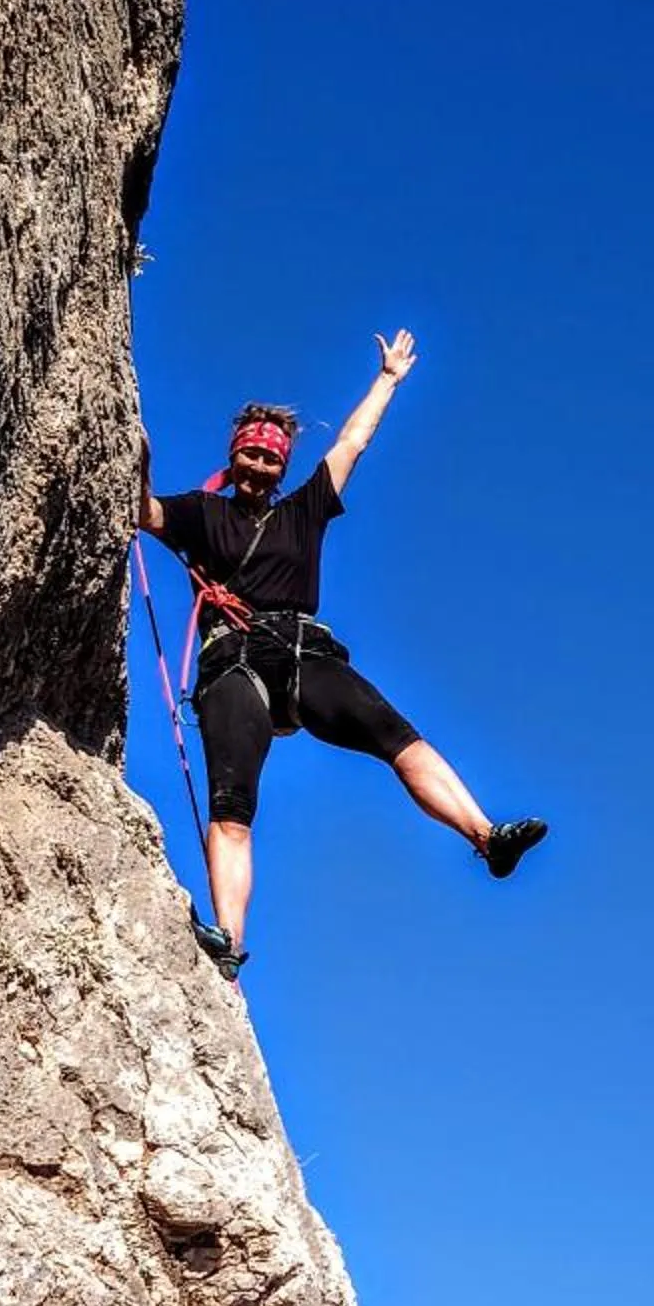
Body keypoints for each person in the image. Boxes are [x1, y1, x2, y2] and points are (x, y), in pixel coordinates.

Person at [139, 327, 546, 976]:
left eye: (269, 460)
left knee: (396, 736)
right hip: (233, 662)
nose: (257, 468)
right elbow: (144, 514)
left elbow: (352, 443)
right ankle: (229, 940)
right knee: (232, 804)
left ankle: (486, 837)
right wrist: (132, 450)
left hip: (301, 653)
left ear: (281, 467)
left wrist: (387, 379)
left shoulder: (304, 510)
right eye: (249, 456)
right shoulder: (199, 514)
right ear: (234, 455)